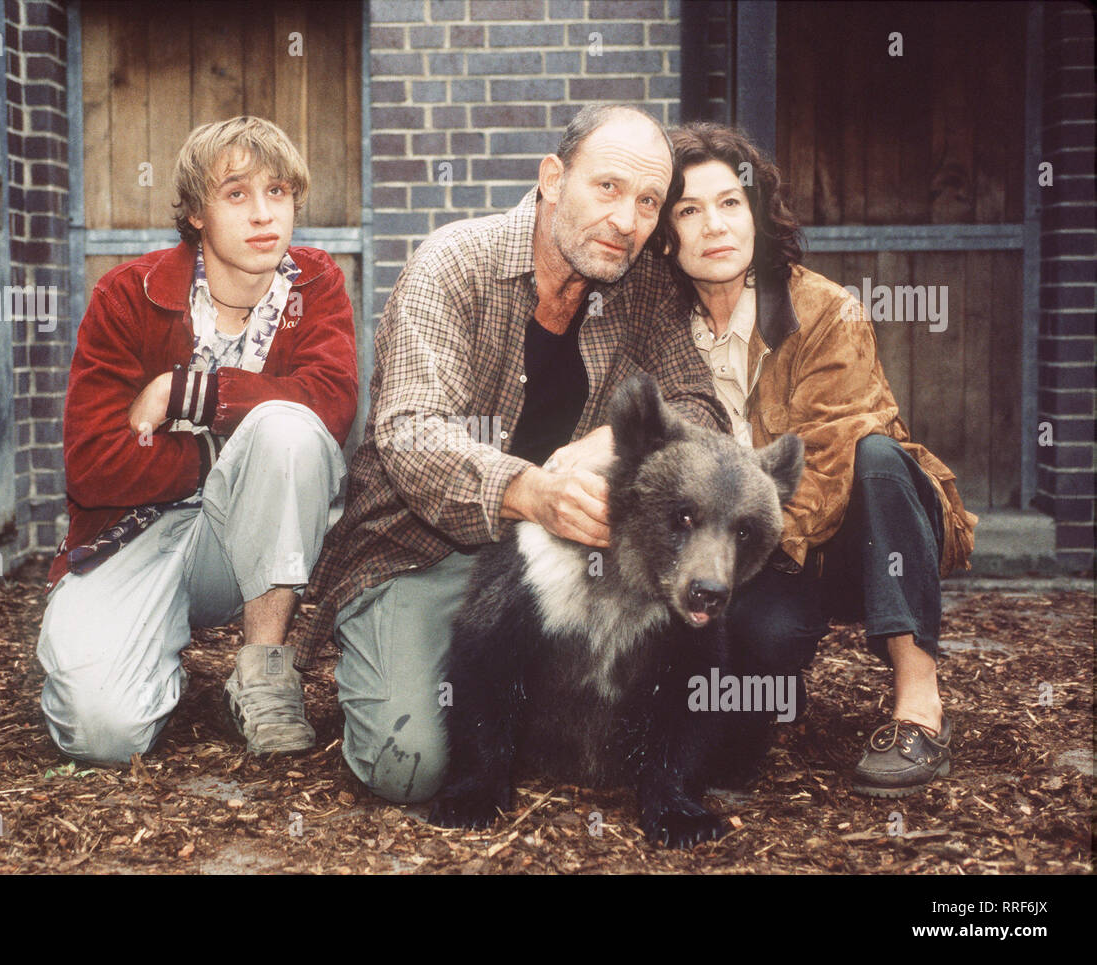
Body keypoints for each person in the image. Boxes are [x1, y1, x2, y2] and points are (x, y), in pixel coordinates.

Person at [298, 104, 729, 804]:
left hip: (560, 555)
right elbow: (409, 432)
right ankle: (387, 646)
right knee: (409, 765)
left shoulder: (642, 289)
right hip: (423, 548)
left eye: (649, 202)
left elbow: (706, 414)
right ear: (553, 178)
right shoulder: (453, 264)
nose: (627, 220)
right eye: (609, 188)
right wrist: (530, 490)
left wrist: (615, 438)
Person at [657, 121, 978, 797]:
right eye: (688, 209)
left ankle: (919, 704)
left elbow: (827, 465)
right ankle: (775, 680)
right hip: (745, 547)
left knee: (881, 457)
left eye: (730, 203)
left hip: (842, 538)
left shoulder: (827, 310)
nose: (713, 225)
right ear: (665, 231)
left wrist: (734, 567)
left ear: (757, 215)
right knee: (764, 647)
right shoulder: (655, 325)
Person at [37, 116, 358, 765]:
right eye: (236, 194)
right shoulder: (129, 295)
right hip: (132, 532)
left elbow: (330, 404)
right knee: (103, 735)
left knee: (288, 430)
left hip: (246, 538)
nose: (264, 214)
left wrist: (193, 395)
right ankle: (150, 655)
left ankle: (263, 670)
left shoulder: (315, 283)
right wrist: (213, 454)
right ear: (194, 214)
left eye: (278, 191)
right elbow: (94, 465)